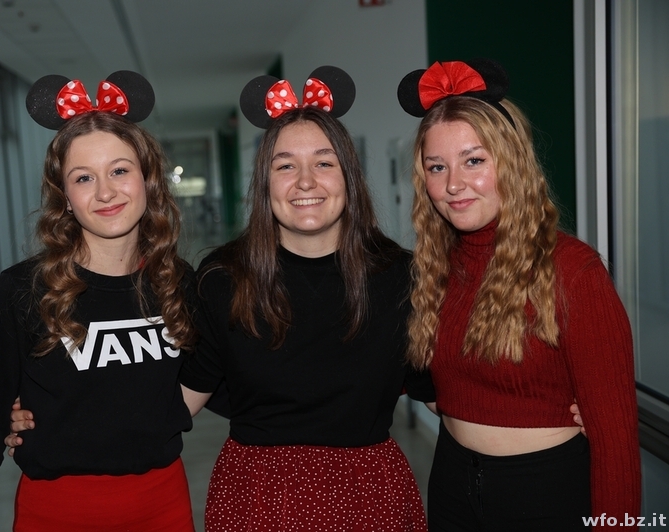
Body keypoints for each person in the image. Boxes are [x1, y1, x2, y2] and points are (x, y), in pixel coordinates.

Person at [174, 66, 435, 532]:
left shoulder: (402, 277)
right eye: (285, 165)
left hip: (370, 495)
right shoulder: (223, 279)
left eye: (324, 162)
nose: (306, 181)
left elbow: (445, 392)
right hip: (256, 497)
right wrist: (53, 410)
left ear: (349, 176)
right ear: (264, 182)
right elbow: (178, 399)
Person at [0, 71, 198, 532]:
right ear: (65, 197)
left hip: (165, 508)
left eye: (120, 170)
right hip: (55, 512)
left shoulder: (179, 282)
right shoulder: (23, 288)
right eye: (83, 178)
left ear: (148, 179)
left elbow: (225, 375)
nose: (105, 192)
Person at [397, 58, 641, 531]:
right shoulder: (433, 268)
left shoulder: (573, 270)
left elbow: (616, 443)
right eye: (436, 167)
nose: (453, 184)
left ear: (511, 162)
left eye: (474, 160)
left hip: (546, 492)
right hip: (450, 483)